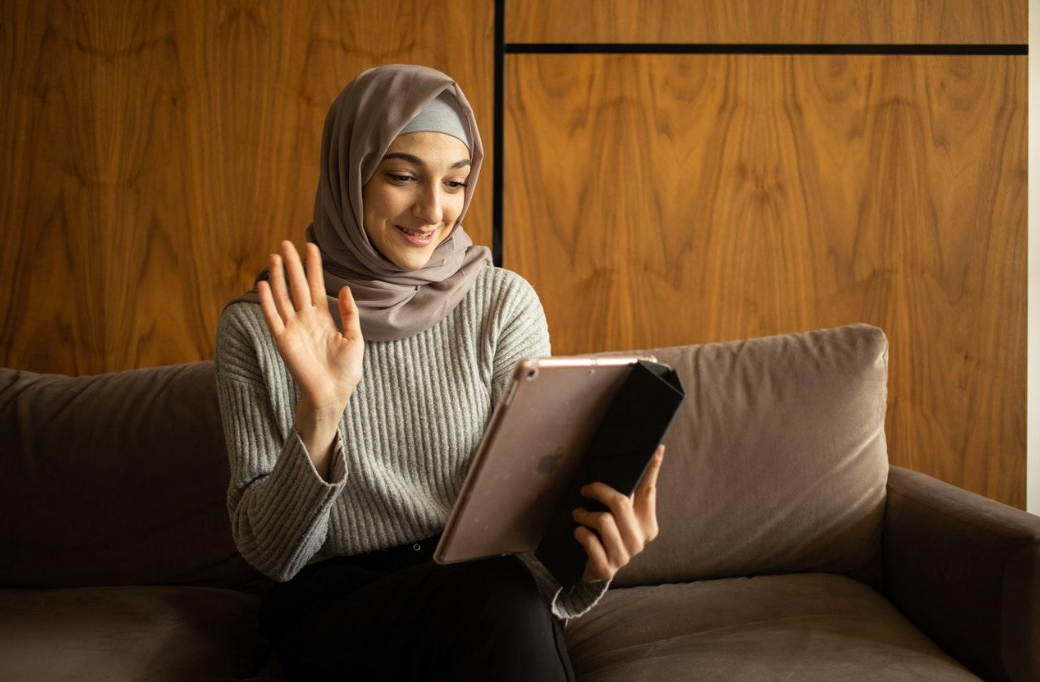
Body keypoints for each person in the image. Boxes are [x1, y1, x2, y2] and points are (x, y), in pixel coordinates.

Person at [214, 63, 664, 681]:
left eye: (455, 183)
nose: (433, 210)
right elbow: (272, 556)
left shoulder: (502, 304)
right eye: (403, 176)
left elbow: (527, 525)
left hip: (488, 598)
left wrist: (589, 563)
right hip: (339, 612)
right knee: (496, 595)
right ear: (350, 174)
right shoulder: (259, 326)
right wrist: (322, 409)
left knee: (499, 592)